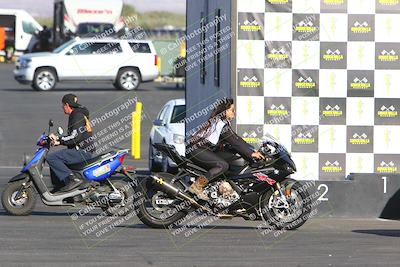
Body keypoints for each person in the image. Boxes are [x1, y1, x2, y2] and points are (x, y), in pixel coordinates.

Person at [187, 98, 265, 200]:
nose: (234, 112)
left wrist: (252, 150)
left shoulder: (221, 122)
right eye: (232, 110)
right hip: (196, 149)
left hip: (200, 149)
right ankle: (197, 186)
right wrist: (251, 154)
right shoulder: (220, 124)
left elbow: (237, 139)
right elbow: (235, 142)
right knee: (222, 165)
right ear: (225, 111)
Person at [47, 94, 95, 192]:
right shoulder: (78, 114)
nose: (62, 107)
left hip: (82, 152)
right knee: (56, 161)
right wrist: (59, 140)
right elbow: (74, 136)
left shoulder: (77, 116)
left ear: (67, 105)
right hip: (80, 150)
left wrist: (59, 140)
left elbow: (75, 137)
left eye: (63, 105)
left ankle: (73, 180)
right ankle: (61, 187)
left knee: (52, 158)